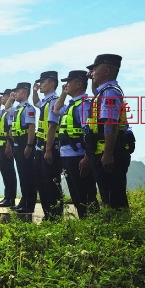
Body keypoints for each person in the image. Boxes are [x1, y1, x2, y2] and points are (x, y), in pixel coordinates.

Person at [84, 54, 131, 210]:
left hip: (111, 153)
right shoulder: (103, 92)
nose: (92, 72)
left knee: (114, 198)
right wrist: (92, 79)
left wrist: (108, 153)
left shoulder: (110, 92)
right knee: (107, 196)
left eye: (95, 69)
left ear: (105, 71)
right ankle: (114, 228)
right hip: (102, 151)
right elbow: (95, 91)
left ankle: (120, 230)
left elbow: (111, 123)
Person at [53, 70, 99, 219]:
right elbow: (56, 109)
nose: (66, 85)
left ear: (79, 84)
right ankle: (84, 224)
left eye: (69, 82)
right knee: (76, 195)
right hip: (67, 156)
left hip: (79, 157)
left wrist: (87, 157)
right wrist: (64, 93)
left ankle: (91, 226)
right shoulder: (71, 105)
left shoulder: (84, 105)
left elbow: (90, 133)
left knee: (85, 195)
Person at [32, 71, 63, 220]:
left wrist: (48, 149)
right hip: (40, 148)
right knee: (41, 182)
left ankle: (55, 216)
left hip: (48, 148)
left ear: (52, 83)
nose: (40, 84)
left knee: (51, 183)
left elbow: (52, 126)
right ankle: (48, 215)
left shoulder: (54, 101)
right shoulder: (45, 101)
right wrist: (34, 91)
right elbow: (36, 102)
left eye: (43, 82)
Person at [4, 82, 37, 213]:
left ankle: (29, 204)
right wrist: (11, 98)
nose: (15, 94)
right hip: (17, 143)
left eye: (17, 92)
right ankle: (24, 200)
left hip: (25, 143)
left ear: (24, 93)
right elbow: (7, 108)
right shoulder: (17, 108)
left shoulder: (29, 108)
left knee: (28, 175)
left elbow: (31, 128)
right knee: (22, 174)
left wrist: (29, 145)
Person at [0, 89, 17, 207]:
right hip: (0, 144)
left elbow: (10, 129)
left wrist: (9, 146)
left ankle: (11, 198)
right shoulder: (3, 111)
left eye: (3, 96)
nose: (2, 97)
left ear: (9, 97)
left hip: (6, 146)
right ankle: (6, 197)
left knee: (9, 172)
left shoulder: (10, 112)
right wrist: (0, 101)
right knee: (4, 171)